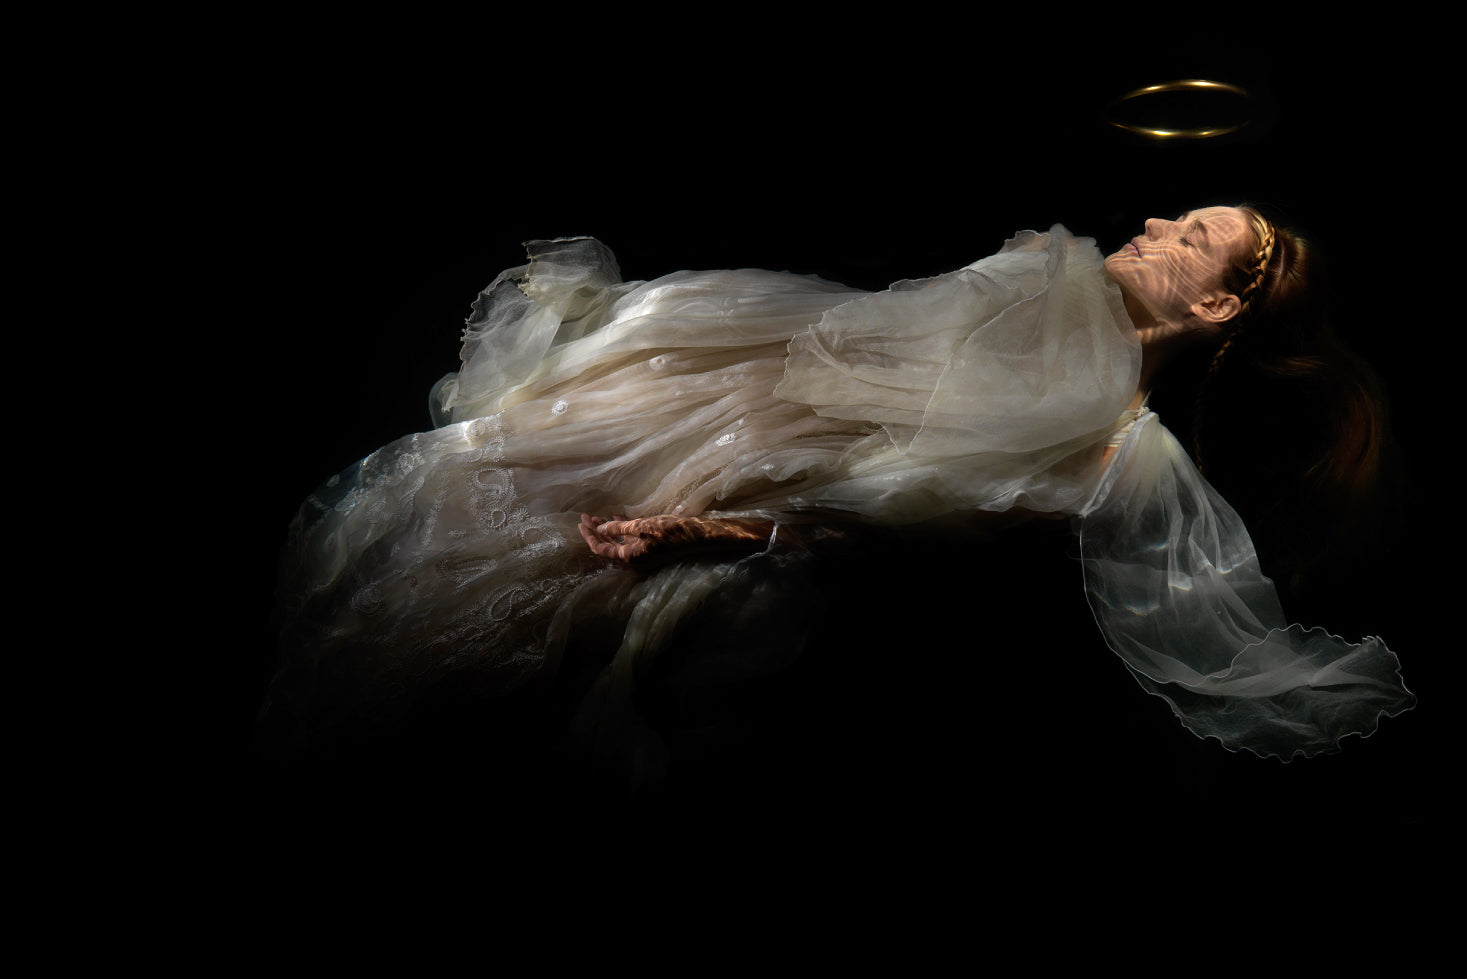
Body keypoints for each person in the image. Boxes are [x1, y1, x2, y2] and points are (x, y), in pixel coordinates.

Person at [265, 208, 1414, 775]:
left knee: (487, 642)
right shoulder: (1036, 284)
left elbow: (901, 527)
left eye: (1192, 234)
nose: (1157, 223)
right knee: (465, 486)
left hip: (764, 536)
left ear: (1215, 307)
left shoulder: (1122, 446)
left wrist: (709, 526)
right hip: (716, 412)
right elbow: (851, 348)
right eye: (1177, 212)